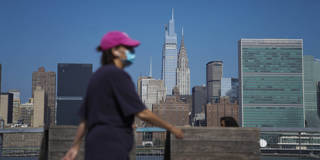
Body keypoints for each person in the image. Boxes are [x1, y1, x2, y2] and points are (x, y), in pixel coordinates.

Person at [62, 31, 184, 160]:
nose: (131, 52)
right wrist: (171, 127)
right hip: (112, 147)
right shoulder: (118, 75)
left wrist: (75, 147)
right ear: (115, 51)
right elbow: (142, 113)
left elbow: (84, 120)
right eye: (127, 48)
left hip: (94, 147)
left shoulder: (96, 77)